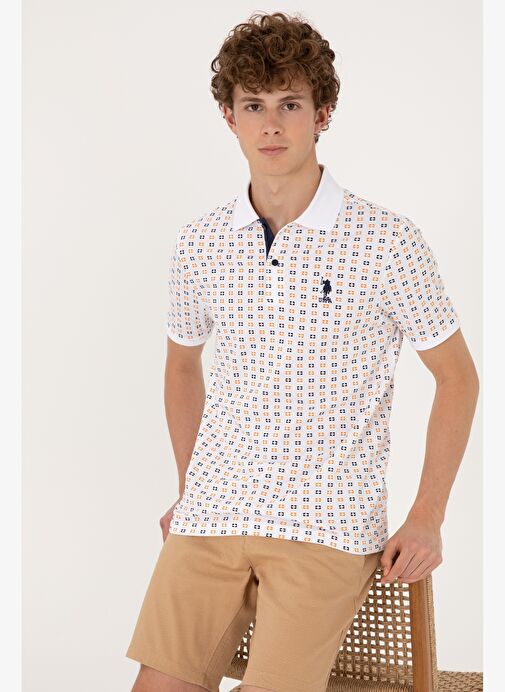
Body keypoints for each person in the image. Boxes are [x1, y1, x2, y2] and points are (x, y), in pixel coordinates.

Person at [125, 11, 479, 692]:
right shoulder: (200, 242)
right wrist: (189, 487)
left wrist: (427, 516)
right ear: (229, 118)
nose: (271, 125)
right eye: (253, 105)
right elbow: (181, 364)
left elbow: (457, 378)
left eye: (289, 104)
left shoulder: (386, 241)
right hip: (211, 516)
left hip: (325, 525)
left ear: (322, 114)